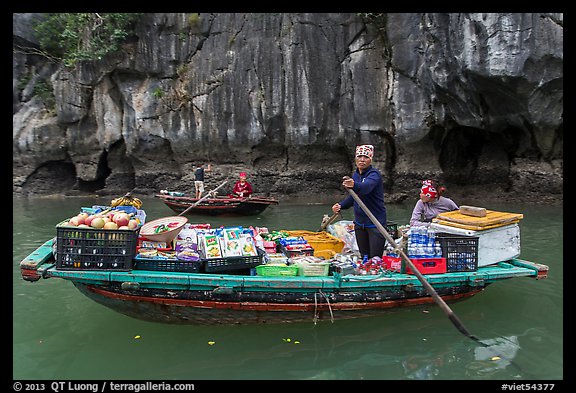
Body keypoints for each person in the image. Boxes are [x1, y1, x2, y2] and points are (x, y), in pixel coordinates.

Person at [332, 144, 387, 259]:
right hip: (359, 224)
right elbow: (354, 198)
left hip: (375, 223)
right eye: (360, 156)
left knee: (375, 259)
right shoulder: (356, 175)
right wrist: (341, 206)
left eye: (366, 157)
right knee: (364, 257)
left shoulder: (374, 175)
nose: (362, 160)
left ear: (370, 160)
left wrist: (354, 185)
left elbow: (366, 188)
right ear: (356, 158)